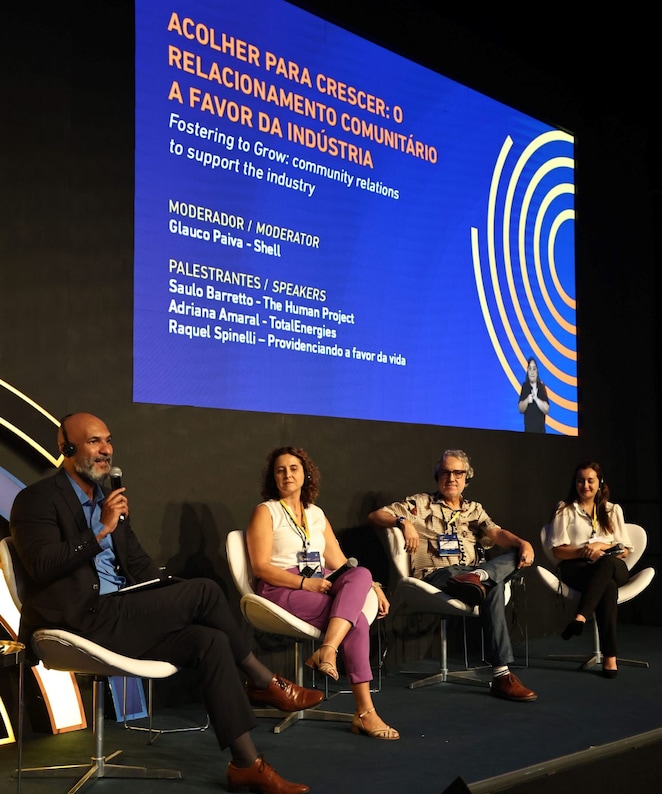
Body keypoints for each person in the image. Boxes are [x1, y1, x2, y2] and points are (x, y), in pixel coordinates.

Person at [10, 412, 320, 794]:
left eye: (108, 440)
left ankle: (246, 764)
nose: (106, 449)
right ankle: (262, 680)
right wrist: (100, 529)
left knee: (210, 641)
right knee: (206, 591)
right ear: (67, 447)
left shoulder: (109, 501)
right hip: (78, 621)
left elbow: (139, 565)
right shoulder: (36, 500)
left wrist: (167, 592)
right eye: (93, 441)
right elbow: (41, 566)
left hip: (121, 614)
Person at [246, 446, 399, 740]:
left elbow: (340, 563)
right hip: (281, 588)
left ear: (306, 474)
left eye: (293, 468)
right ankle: (365, 712)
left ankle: (328, 649)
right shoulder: (266, 512)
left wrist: (374, 586)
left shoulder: (316, 514)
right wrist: (304, 584)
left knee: (362, 573)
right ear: (273, 478)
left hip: (319, 581)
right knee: (355, 621)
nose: (287, 475)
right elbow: (261, 567)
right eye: (280, 470)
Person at [368, 449, 537, 702]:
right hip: (437, 574)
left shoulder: (474, 509)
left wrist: (523, 543)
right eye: (445, 472)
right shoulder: (419, 503)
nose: (451, 478)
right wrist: (403, 521)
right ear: (437, 476)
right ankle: (502, 674)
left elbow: (496, 533)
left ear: (467, 478)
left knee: (514, 556)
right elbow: (375, 516)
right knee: (495, 583)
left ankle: (479, 576)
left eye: (458, 473)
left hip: (470, 575)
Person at [546, 461, 632, 678]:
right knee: (608, 587)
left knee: (606, 564)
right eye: (580, 481)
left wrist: (601, 547)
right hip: (579, 569)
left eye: (590, 481)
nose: (585, 485)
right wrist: (584, 551)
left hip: (612, 564)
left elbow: (624, 551)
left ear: (599, 482)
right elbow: (557, 551)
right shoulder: (565, 509)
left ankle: (580, 617)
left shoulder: (612, 510)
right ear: (574, 483)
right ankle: (610, 658)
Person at [518, 357, 550, 433]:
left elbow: (547, 409)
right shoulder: (525, 387)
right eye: (530, 369)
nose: (532, 372)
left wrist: (536, 399)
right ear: (527, 371)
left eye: (534, 369)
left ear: (537, 371)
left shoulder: (541, 387)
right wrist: (527, 400)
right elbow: (520, 409)